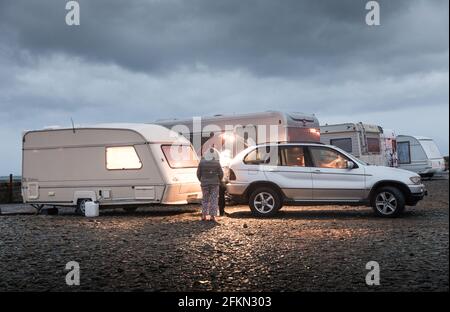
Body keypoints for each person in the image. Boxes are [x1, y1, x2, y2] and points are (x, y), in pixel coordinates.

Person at [196, 148, 224, 221]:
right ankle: (212, 216)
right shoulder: (217, 163)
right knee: (214, 199)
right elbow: (221, 173)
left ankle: (204, 215)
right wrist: (219, 180)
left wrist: (201, 180)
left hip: (204, 184)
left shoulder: (201, 162)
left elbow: (198, 173)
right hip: (215, 184)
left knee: (205, 199)